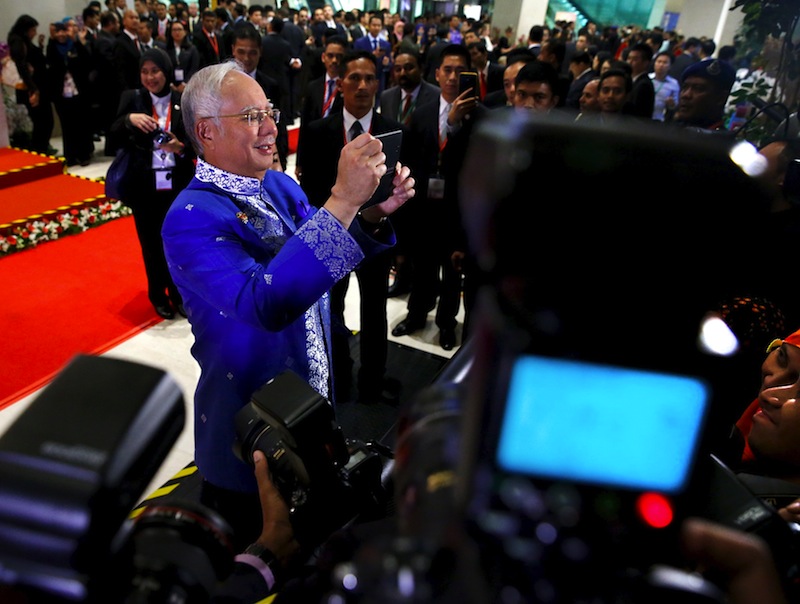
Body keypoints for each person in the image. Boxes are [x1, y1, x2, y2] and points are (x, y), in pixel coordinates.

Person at [160, 60, 414, 547]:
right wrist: (342, 199)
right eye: (252, 116)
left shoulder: (278, 184)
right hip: (252, 431)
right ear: (206, 132)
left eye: (269, 111)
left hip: (312, 408)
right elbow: (267, 304)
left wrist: (371, 216)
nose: (273, 127)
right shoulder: (189, 218)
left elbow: (316, 263)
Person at [299, 50, 409, 404]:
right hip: (334, 237)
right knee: (332, 308)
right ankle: (338, 370)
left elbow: (402, 190)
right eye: (354, 79)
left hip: (376, 236)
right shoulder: (318, 131)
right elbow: (311, 189)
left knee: (375, 311)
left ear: (377, 84)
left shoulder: (394, 129)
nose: (362, 86)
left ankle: (373, 378)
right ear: (341, 83)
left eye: (369, 79)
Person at [392, 43, 483, 351]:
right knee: (423, 264)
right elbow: (413, 161)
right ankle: (417, 314)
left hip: (459, 208)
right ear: (437, 74)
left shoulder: (481, 117)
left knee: (452, 272)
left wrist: (455, 124)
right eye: (448, 70)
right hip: (426, 205)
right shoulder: (424, 113)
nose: (453, 76)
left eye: (461, 70)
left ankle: (446, 323)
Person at [108, 47, 195, 320]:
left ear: (166, 71)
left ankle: (180, 294)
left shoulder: (184, 100)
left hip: (177, 187)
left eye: (155, 71)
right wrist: (127, 120)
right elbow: (112, 137)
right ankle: (158, 294)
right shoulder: (132, 99)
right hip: (145, 188)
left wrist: (180, 147)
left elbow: (199, 143)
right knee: (150, 244)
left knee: (179, 244)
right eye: (144, 72)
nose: (150, 77)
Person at [46, 21, 95, 167]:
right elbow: (50, 68)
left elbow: (87, 60)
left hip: (78, 91)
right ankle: (71, 155)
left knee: (82, 123)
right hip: (62, 94)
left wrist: (77, 41)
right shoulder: (52, 48)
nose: (61, 35)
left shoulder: (74, 45)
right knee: (67, 126)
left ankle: (84, 154)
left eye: (63, 31)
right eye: (58, 32)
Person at [7, 15, 54, 155]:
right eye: (33, 30)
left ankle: (42, 149)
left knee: (44, 121)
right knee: (43, 122)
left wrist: (39, 46)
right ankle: (40, 150)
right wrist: (33, 89)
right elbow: (21, 66)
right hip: (32, 88)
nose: (34, 33)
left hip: (38, 86)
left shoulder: (25, 41)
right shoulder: (17, 41)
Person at [673, 58, 736, 132]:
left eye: (698, 89)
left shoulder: (721, 142)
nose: (686, 95)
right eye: (684, 87)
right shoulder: (673, 132)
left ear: (721, 98)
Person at [164, 19, 200, 93]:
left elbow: (194, 67)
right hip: (170, 85)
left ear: (185, 32)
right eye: (174, 30)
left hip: (187, 85)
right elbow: (164, 67)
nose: (177, 32)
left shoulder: (192, 49)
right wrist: (170, 83)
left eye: (179, 29)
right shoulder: (166, 49)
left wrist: (185, 83)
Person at [624, 41, 655, 119]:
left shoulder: (644, 85)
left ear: (646, 63)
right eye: (628, 58)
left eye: (634, 59)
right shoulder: (633, 80)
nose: (629, 62)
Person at [649, 50, 680, 121]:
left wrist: (671, 104)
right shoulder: (647, 78)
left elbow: (675, 105)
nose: (661, 65)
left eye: (665, 62)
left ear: (670, 66)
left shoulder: (673, 84)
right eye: (659, 61)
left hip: (659, 119)